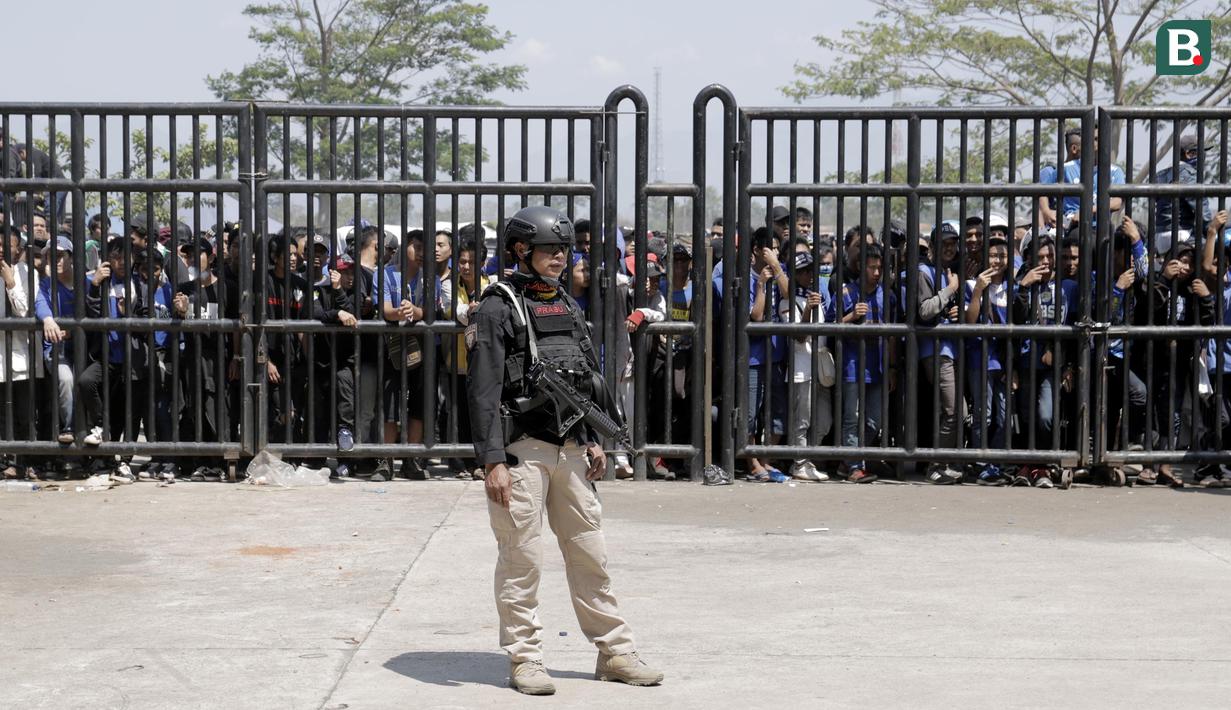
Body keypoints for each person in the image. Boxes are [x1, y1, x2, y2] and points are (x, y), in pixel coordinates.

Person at [467, 205, 662, 696]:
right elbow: (484, 390)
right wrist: (492, 461)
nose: (559, 258)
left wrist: (593, 438)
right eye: (549, 250)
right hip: (522, 451)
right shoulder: (498, 306)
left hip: (571, 448)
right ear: (520, 251)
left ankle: (615, 651)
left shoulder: (566, 304)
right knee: (522, 558)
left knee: (589, 554)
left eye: (562, 250)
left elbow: (585, 375)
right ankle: (525, 658)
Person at [827, 243, 896, 483]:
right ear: (860, 267)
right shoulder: (845, 293)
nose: (877, 273)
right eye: (872, 268)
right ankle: (855, 466)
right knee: (851, 418)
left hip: (877, 366)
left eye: (879, 268)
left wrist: (891, 367)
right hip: (852, 366)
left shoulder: (887, 296)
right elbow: (828, 329)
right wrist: (851, 317)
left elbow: (893, 336)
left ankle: (848, 461)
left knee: (874, 421)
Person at [963, 233, 1012, 485]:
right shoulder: (973, 285)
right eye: (993, 255)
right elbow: (970, 322)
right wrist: (978, 292)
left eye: (1002, 255)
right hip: (980, 359)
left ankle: (996, 463)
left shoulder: (1012, 287)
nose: (997, 260)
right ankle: (982, 464)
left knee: (1004, 415)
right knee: (984, 414)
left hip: (1004, 362)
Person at [779, 251, 828, 481]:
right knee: (802, 421)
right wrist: (808, 308)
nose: (808, 275)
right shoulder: (787, 302)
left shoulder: (816, 297)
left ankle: (807, 458)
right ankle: (799, 464)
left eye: (810, 270)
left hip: (820, 370)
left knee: (824, 421)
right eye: (802, 271)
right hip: (801, 369)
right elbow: (799, 336)